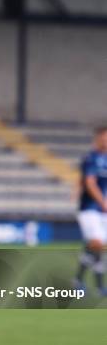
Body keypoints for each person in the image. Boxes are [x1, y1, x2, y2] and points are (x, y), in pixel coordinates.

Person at [74, 126, 107, 296]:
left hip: (103, 211)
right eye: (104, 138)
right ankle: (100, 286)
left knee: (95, 246)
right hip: (89, 208)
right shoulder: (91, 158)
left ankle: (78, 280)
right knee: (98, 243)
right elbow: (90, 183)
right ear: (98, 139)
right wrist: (103, 202)